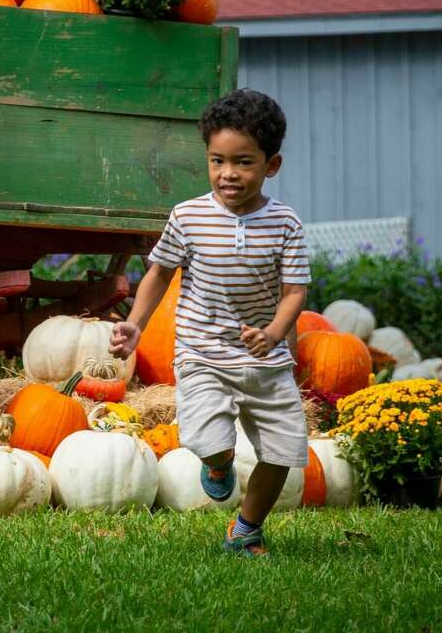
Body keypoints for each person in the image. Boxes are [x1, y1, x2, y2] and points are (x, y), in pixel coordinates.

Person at [109, 88, 310, 557]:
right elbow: (159, 273)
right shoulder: (189, 216)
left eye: (243, 162)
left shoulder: (286, 224)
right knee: (206, 437)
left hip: (266, 360)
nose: (228, 174)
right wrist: (136, 324)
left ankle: (246, 529)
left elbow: (295, 291)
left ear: (271, 165)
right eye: (217, 161)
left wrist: (275, 334)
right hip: (202, 353)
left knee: (284, 454)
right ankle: (218, 466)